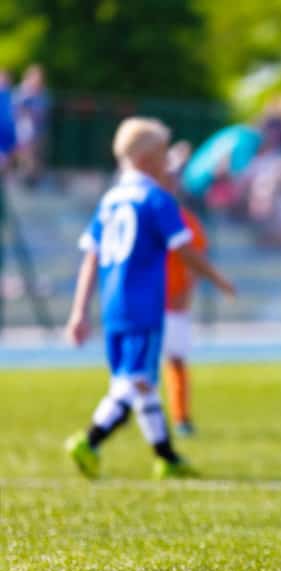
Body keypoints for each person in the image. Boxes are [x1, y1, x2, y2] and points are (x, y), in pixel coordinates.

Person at [63, 118, 235, 480]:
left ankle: (167, 457)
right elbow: (185, 250)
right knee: (133, 381)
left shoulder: (109, 200)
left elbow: (90, 258)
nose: (167, 163)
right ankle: (90, 439)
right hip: (143, 305)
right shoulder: (157, 199)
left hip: (112, 307)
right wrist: (218, 279)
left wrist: (79, 311)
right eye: (162, 155)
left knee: (140, 384)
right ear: (145, 158)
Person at [162, 141, 209, 437]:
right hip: (144, 302)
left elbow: (197, 260)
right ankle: (128, 411)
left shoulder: (186, 219)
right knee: (137, 364)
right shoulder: (144, 214)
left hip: (174, 302)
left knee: (176, 360)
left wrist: (187, 290)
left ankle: (180, 417)